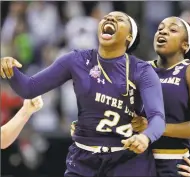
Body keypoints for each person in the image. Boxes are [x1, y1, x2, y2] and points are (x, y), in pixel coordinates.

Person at [1, 11, 165, 177]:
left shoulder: (141, 70)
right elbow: (29, 88)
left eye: (119, 19)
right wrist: (10, 71)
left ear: (129, 36)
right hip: (84, 158)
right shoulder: (76, 60)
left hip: (126, 159)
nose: (109, 19)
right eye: (107, 17)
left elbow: (157, 117)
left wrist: (146, 137)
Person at [130, 16, 190, 177]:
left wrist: (153, 128)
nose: (163, 31)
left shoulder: (189, 71)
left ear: (185, 44)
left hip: (172, 161)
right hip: (134, 159)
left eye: (172, 30)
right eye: (160, 28)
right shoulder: (139, 70)